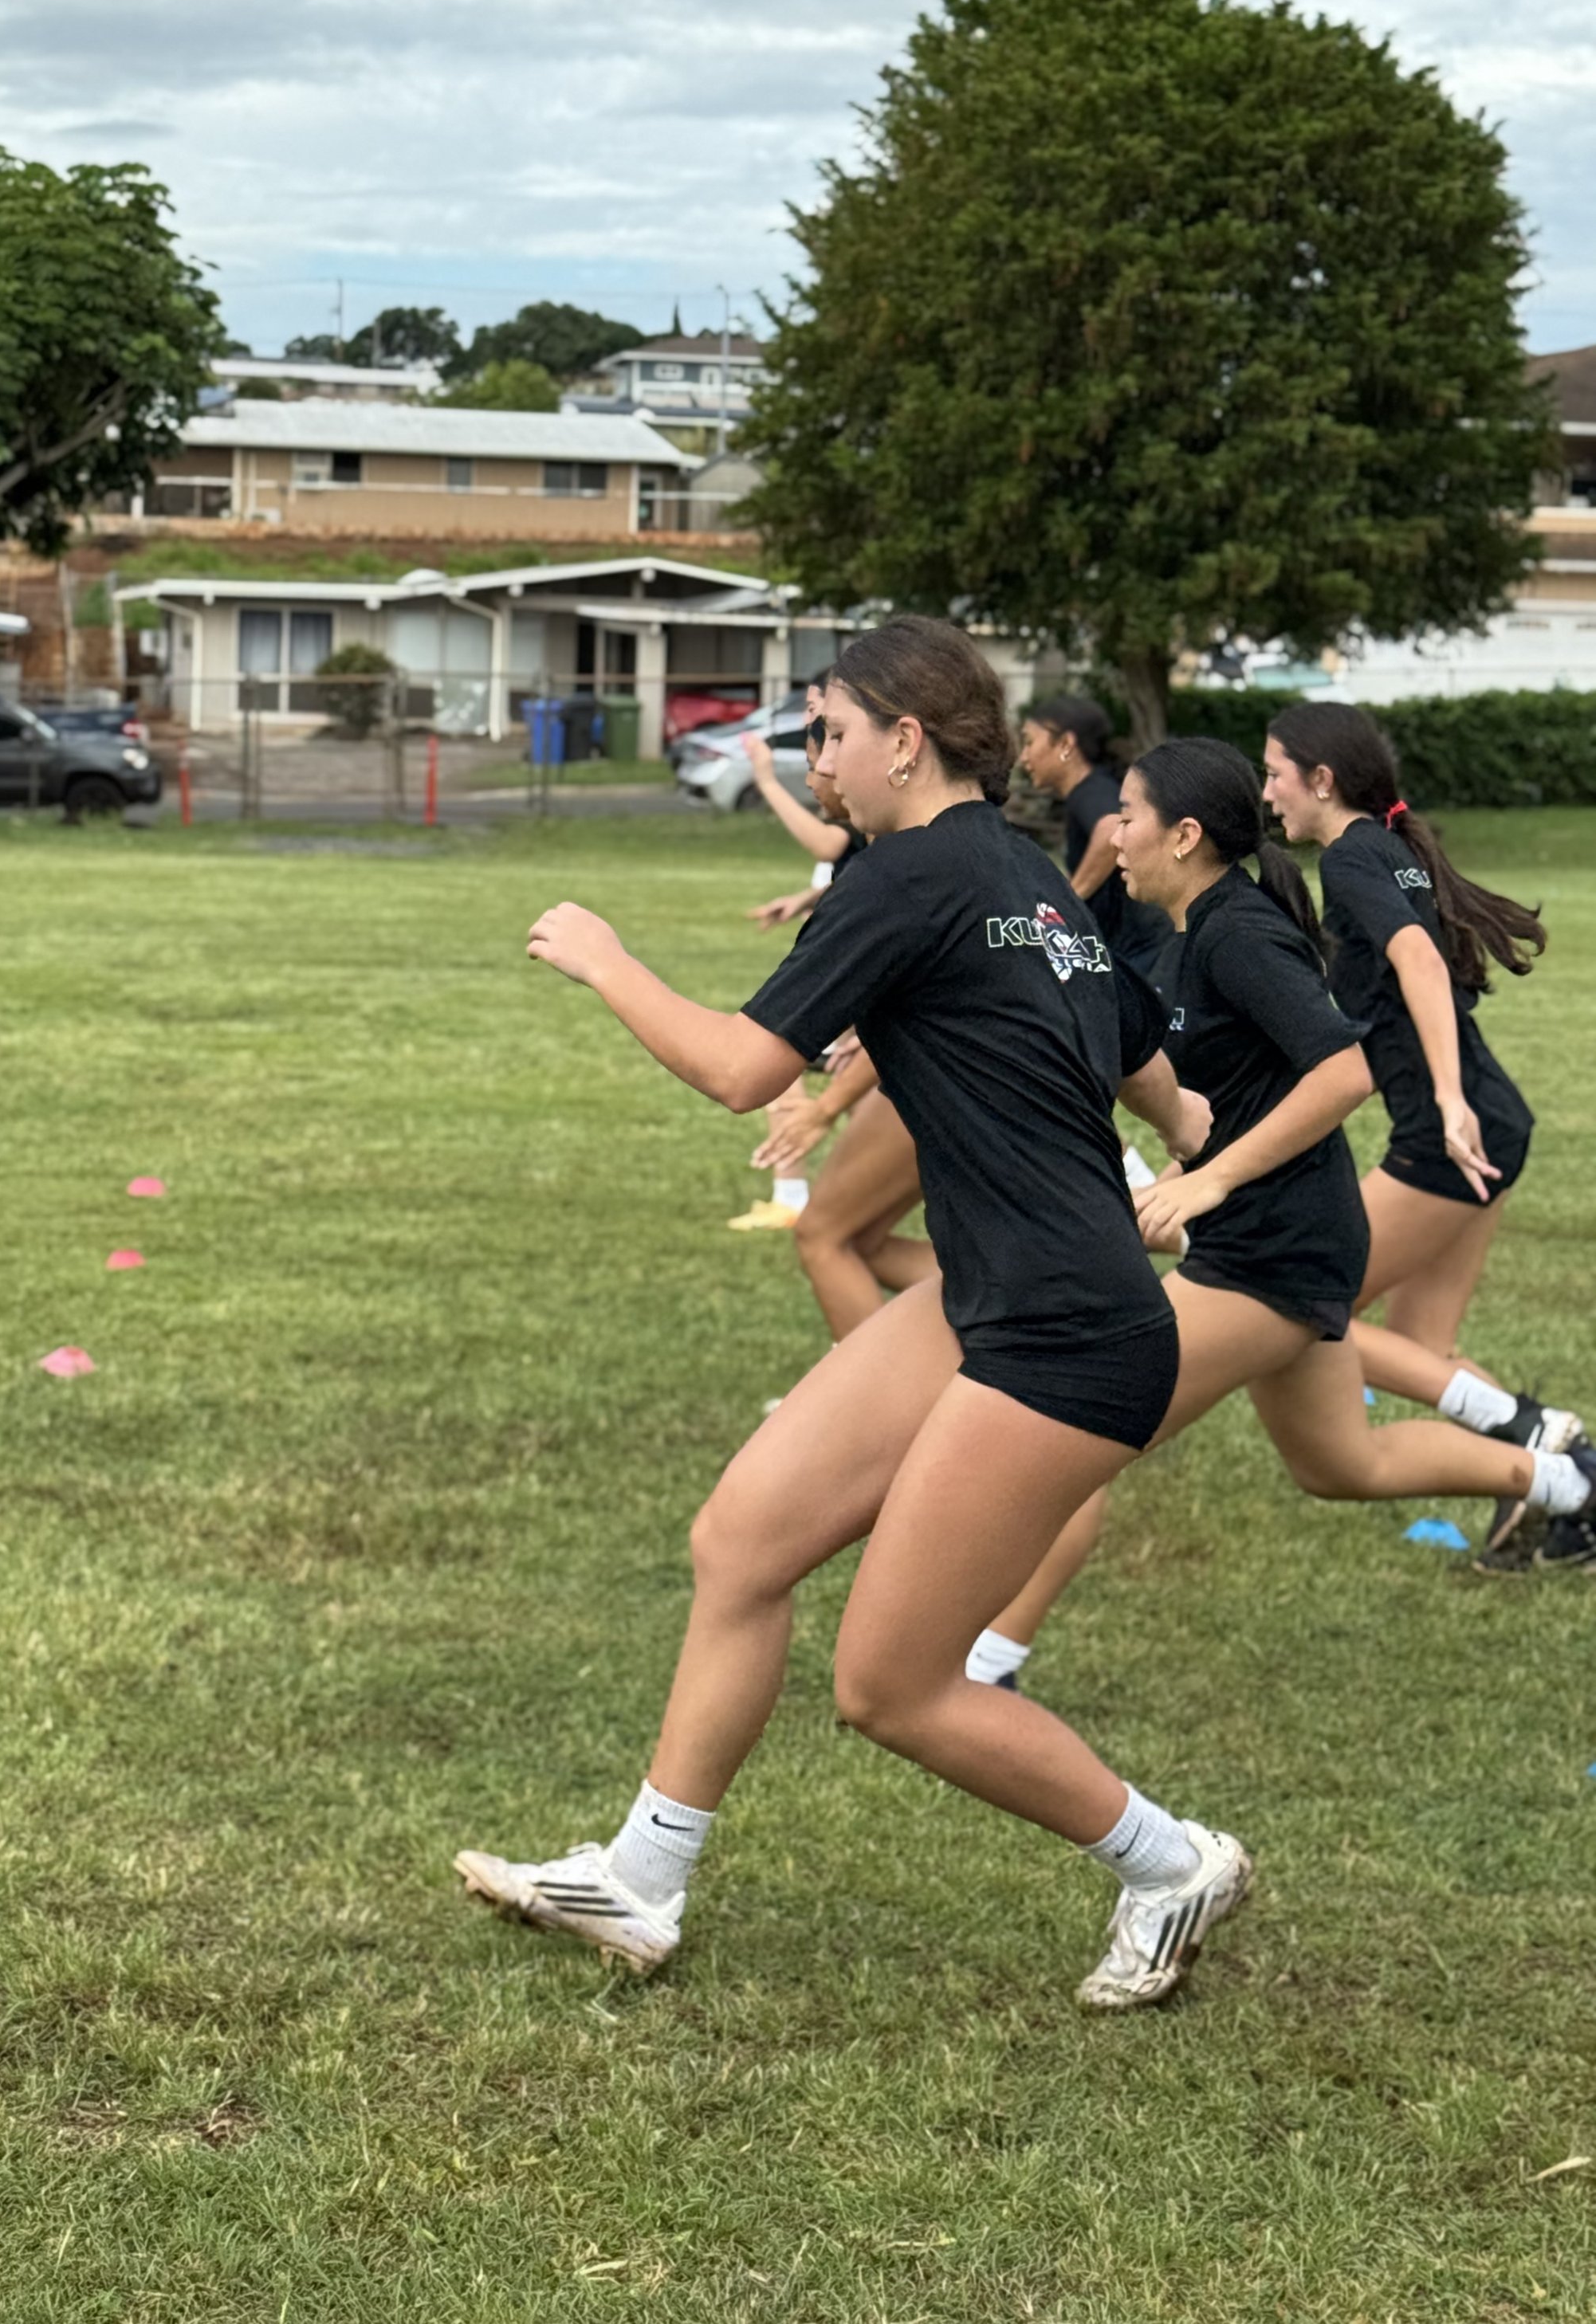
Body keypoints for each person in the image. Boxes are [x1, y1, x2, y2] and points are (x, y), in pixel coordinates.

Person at [458, 618, 1252, 2013]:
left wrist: (603, 956)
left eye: (827, 731)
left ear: (904, 737)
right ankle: (645, 1876)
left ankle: (1170, 1858)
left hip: (1063, 1329)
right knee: (743, 1535)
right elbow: (1161, 1082)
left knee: (892, 1683)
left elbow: (737, 1067)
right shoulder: (1026, 876)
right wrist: (1204, 1148)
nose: (816, 761)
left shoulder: (907, 876)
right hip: (992, 1294)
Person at [1001, 739, 1596, 1678]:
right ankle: (1565, 1483)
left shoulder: (1237, 933)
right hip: (1284, 1241)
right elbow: (1233, 1088)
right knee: (1337, 1465)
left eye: (1131, 814)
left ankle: (982, 1665)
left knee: (1081, 1424)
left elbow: (1346, 1067)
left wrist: (1212, 1181)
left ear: (1186, 835)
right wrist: (1171, 1163)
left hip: (1271, 1253)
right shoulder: (1190, 934)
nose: (1112, 831)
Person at [1260, 702, 1586, 1561]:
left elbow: (1415, 962)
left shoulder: (1355, 855)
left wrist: (1445, 1101)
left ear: (1320, 780)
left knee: (1306, 1307)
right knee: (1415, 1347)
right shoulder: (1382, 847)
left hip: (1454, 1138)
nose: (1267, 796)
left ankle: (1541, 1438)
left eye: (1274, 774)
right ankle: (1560, 1487)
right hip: (1486, 1125)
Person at [726, 691, 855, 1232]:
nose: (814, 774)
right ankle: (795, 1195)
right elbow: (856, 871)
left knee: (774, 1061)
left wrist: (767, 781)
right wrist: (804, 900)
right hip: (858, 969)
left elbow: (832, 847)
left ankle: (800, 1197)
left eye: (816, 703)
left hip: (859, 973)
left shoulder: (866, 796)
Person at [1017, 695, 1173, 987]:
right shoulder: (1092, 790)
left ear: (1065, 745)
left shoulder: (1091, 791)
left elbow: (1109, 828)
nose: (1024, 757)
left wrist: (1068, 902)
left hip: (1144, 955)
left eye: (1029, 742)